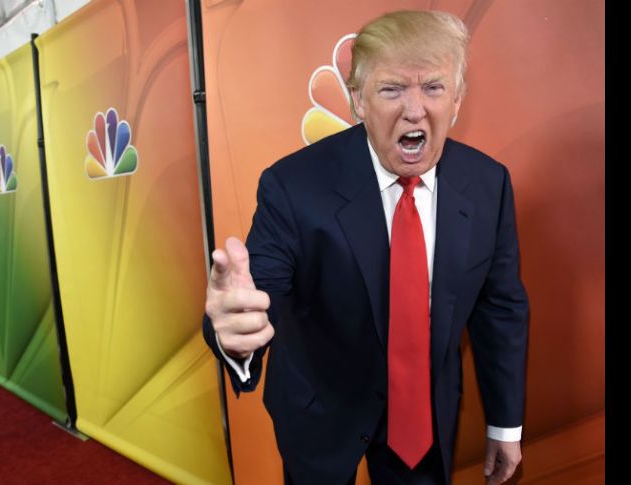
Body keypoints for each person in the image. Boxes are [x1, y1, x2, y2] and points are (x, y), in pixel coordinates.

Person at [203, 10, 528, 485]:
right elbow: (256, 292)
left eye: (434, 88)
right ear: (358, 100)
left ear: (457, 100)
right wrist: (234, 331)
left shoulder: (488, 184)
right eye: (392, 89)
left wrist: (505, 425)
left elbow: (501, 308)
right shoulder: (292, 185)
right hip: (320, 410)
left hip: (423, 416)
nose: (414, 110)